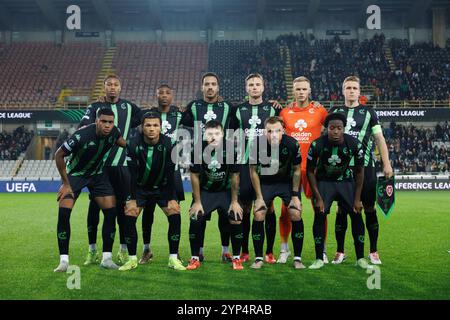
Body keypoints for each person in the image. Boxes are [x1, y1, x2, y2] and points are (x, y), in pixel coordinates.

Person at [329, 76, 393, 265]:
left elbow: (380, 139)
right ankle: (340, 251)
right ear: (342, 90)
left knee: (369, 208)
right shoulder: (335, 111)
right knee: (341, 210)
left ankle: (373, 251)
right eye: (347, 87)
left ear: (359, 91)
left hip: (365, 168)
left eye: (354, 88)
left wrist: (387, 163)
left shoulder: (369, 112)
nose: (351, 91)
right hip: (341, 169)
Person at [79, 74, 142, 266]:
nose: (112, 88)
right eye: (109, 85)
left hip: (122, 167)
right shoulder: (94, 107)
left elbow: (149, 118)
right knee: (94, 209)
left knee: (123, 210)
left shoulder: (129, 107)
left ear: (120, 88)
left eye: (116, 85)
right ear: (104, 88)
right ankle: (92, 250)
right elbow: (83, 126)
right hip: (99, 167)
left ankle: (123, 250)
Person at [53, 108, 127, 272]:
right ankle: (64, 261)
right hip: (75, 176)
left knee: (111, 212)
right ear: (96, 121)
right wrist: (66, 184)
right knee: (64, 214)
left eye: (110, 122)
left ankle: (106, 258)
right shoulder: (81, 135)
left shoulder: (114, 132)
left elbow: (123, 142)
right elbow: (59, 155)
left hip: (97, 175)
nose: (107, 125)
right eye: (104, 122)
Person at [119, 111, 185, 271]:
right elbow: (132, 174)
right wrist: (132, 198)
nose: (151, 129)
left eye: (155, 125)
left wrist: (171, 197)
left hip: (162, 187)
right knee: (129, 213)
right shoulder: (133, 144)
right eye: (148, 125)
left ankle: (173, 258)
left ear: (160, 127)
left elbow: (170, 172)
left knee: (174, 212)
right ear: (142, 127)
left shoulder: (170, 144)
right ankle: (132, 259)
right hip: (140, 187)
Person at [306, 112, 369, 270]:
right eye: (332, 128)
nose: (335, 131)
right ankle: (319, 258)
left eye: (338, 128)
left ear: (343, 129)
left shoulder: (355, 144)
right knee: (320, 215)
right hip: (324, 183)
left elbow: (360, 171)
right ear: (327, 128)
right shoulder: (316, 145)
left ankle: (360, 258)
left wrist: (357, 198)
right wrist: (317, 196)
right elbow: (309, 171)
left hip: (346, 182)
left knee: (356, 215)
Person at [278, 76, 328, 264]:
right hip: (292, 170)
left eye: (304, 89)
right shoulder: (285, 112)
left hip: (314, 170)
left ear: (309, 90)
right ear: (293, 90)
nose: (301, 92)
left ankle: (321, 250)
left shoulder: (319, 110)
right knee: (286, 210)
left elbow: (335, 125)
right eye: (297, 89)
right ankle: (284, 249)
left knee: (319, 209)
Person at [231, 73, 280, 264]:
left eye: (257, 84)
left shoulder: (272, 108)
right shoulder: (238, 110)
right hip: (244, 163)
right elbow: (229, 134)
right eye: (251, 84)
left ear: (263, 87)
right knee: (245, 207)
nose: (254, 87)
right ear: (246, 88)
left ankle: (269, 251)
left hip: (267, 163)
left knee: (268, 208)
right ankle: (244, 251)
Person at [186, 120, 244, 270]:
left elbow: (235, 176)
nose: (214, 137)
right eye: (210, 134)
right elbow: (194, 176)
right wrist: (197, 202)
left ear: (223, 134)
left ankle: (235, 258)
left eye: (217, 133)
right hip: (206, 192)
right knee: (195, 217)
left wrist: (234, 201)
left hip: (224, 192)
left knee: (236, 217)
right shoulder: (198, 149)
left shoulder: (231, 149)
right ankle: (195, 257)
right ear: (205, 135)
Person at [138, 84, 185, 264]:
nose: (164, 96)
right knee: (147, 213)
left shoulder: (179, 114)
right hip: (150, 172)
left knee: (174, 212)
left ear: (172, 96)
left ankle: (175, 252)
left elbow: (201, 116)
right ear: (155, 95)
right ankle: (146, 250)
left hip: (171, 172)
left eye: (167, 93)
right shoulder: (147, 115)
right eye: (160, 93)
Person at [249, 116, 305, 269]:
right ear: (264, 132)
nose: (274, 134)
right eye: (270, 131)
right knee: (259, 213)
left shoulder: (292, 143)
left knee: (295, 212)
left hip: (286, 183)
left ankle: (297, 259)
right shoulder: (257, 144)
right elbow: (253, 171)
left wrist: (295, 195)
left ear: (283, 131)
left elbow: (297, 170)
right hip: (266, 183)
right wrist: (259, 197)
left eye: (277, 131)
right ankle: (259, 258)